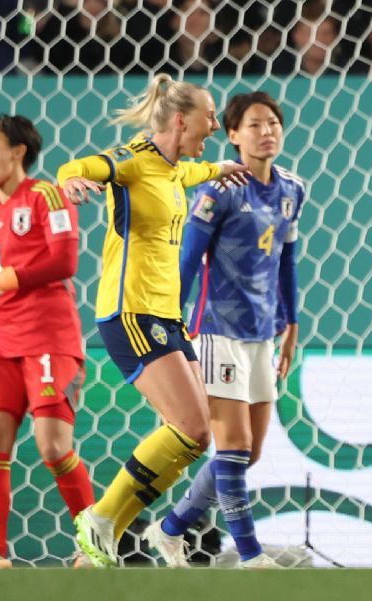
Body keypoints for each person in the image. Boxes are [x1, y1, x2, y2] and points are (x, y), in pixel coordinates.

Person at [56, 75, 249, 567]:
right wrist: (71, 179)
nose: (215, 125)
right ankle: (100, 519)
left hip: (166, 316)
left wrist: (218, 168)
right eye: (210, 117)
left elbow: (187, 175)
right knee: (188, 426)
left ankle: (98, 541)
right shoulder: (133, 161)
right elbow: (84, 166)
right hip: (132, 312)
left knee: (196, 435)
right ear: (181, 119)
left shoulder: (173, 168)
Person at [147, 92, 305, 570]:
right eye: (254, 124)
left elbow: (287, 263)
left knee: (248, 455)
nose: (267, 131)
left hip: (263, 334)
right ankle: (251, 555)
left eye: (273, 122)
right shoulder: (218, 191)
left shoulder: (293, 189)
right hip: (216, 330)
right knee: (232, 448)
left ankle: (170, 527)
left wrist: (292, 323)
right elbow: (188, 261)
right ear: (233, 135)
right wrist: (171, 322)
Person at [0, 115, 96, 568]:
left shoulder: (46, 195)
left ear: (17, 151)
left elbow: (64, 261)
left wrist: (4, 280)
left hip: (50, 339)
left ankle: (94, 545)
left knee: (52, 445)